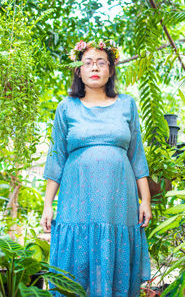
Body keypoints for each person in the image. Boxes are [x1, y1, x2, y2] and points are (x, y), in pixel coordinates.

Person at [40, 39, 152, 297]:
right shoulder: (66, 107)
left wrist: (145, 200)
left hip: (119, 204)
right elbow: (56, 158)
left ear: (111, 70)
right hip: (77, 201)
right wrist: (48, 204)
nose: (95, 68)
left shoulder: (127, 105)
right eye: (88, 63)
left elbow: (137, 156)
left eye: (102, 63)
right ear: (78, 70)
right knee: (77, 263)